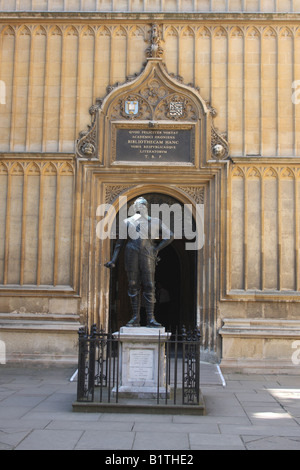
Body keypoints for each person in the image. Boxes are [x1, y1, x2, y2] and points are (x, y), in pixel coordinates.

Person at [105, 197, 174, 327]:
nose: (141, 207)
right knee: (133, 285)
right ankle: (135, 317)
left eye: (143, 205)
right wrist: (113, 260)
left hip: (148, 253)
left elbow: (170, 235)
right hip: (131, 253)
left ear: (146, 207)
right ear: (135, 208)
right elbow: (119, 243)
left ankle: (151, 318)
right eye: (138, 206)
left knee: (149, 284)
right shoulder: (127, 222)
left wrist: (156, 248)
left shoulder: (155, 221)